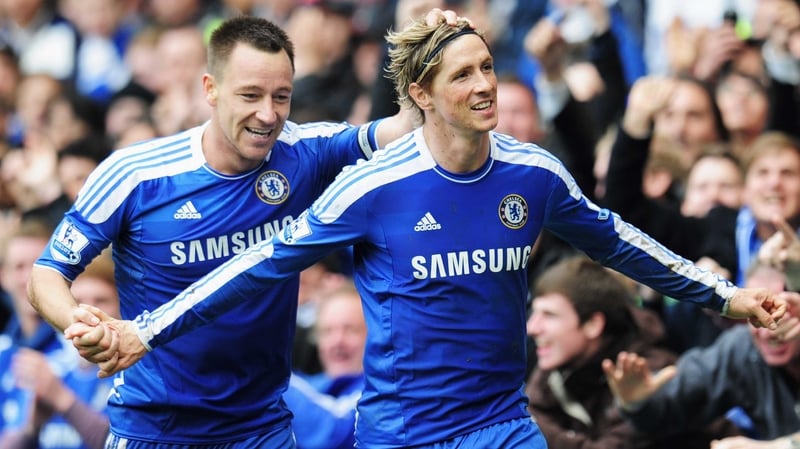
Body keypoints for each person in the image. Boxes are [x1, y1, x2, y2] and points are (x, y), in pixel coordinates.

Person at [66, 16, 786, 449]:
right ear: (421, 95)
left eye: (488, 68)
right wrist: (146, 329)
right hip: (400, 430)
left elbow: (623, 242)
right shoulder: (373, 186)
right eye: (462, 75)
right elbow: (261, 262)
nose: (484, 86)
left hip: (503, 422)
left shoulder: (533, 174)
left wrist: (730, 298)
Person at [26, 11, 449, 448]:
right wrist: (78, 324)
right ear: (210, 89)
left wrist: (430, 39)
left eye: (281, 97)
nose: (267, 115)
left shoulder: (305, 153)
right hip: (154, 429)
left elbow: (407, 130)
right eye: (250, 95)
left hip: (260, 429)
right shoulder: (135, 175)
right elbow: (45, 274)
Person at [525, 255, 737, 448]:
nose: (532, 328)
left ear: (593, 324)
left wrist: (528, 428)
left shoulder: (646, 371)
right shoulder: (558, 366)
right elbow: (530, 412)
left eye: (549, 315)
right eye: (534, 312)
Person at [602, 262, 800, 445]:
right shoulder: (742, 350)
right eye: (756, 315)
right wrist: (636, 403)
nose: (768, 330)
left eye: (782, 312)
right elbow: (680, 398)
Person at [0, 249, 118, 449]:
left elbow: (124, 443)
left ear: (122, 307)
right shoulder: (53, 369)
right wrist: (33, 426)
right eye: (78, 302)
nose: (89, 312)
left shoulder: (134, 375)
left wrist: (62, 400)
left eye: (101, 300)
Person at [284, 280, 366, 449]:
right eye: (327, 331)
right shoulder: (309, 387)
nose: (338, 341)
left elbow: (333, 432)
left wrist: (269, 371)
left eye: (351, 329)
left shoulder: (385, 390)